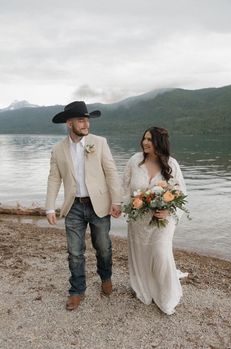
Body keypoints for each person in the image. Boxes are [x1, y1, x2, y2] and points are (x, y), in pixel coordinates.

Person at [45, 101, 122, 311]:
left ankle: (105, 277)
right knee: (75, 252)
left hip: (99, 204)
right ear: (69, 123)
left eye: (87, 119)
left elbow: (111, 172)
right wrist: (50, 207)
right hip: (73, 207)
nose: (86, 123)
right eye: (81, 120)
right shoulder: (58, 149)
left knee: (103, 247)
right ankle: (77, 290)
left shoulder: (99, 142)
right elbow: (54, 179)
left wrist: (117, 200)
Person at [123, 127, 187, 315]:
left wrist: (169, 211)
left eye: (150, 139)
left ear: (160, 142)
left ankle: (166, 296)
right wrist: (124, 206)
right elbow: (125, 187)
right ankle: (144, 289)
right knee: (141, 254)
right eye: (144, 138)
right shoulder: (134, 161)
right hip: (139, 220)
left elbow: (181, 193)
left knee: (160, 254)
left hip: (163, 220)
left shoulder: (172, 164)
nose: (145, 142)